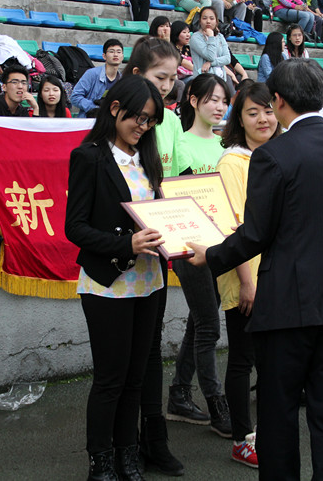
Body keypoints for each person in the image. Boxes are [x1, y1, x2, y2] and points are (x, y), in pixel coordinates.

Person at [187, 58, 323, 480]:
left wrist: (211, 255)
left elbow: (255, 234)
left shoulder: (273, 155)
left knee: (279, 412)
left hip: (289, 305)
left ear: (278, 100)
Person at [64, 75, 166, 481]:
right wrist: (127, 245)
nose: (143, 126)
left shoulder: (148, 159)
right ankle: (100, 460)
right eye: (138, 117)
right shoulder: (88, 156)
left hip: (150, 280)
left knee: (136, 378)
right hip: (107, 283)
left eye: (150, 120)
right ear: (114, 109)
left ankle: (128, 455)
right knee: (110, 378)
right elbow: (75, 228)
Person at [121, 36, 187, 476]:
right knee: (124, 358)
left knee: (151, 349)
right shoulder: (119, 119)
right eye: (159, 77)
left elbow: (175, 183)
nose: (166, 86)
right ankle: (122, 443)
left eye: (172, 78)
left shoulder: (173, 122)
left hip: (159, 252)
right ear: (136, 75)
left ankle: (154, 439)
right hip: (121, 254)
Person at [215, 82, 280, 468]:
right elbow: (234, 226)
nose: (263, 119)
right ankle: (242, 437)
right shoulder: (233, 162)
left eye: (268, 110)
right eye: (252, 112)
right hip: (246, 275)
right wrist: (247, 282)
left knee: (271, 358)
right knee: (242, 357)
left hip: (276, 273)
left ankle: (265, 430)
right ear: (239, 119)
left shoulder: (277, 154)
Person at [167, 73, 232, 438]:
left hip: (221, 246)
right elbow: (180, 197)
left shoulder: (225, 145)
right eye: (212, 99)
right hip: (189, 245)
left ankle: (179, 392)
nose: (220, 107)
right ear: (193, 100)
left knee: (199, 320)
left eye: (224, 101)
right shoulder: (181, 143)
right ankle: (216, 402)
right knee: (209, 324)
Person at [71, 39, 123, 117]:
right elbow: (75, 97)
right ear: (104, 56)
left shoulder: (122, 79)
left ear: (122, 56)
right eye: (111, 51)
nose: (115, 55)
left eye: (119, 52)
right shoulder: (92, 74)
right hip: (90, 119)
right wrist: (95, 108)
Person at [189, 7, 231, 81]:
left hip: (220, 78)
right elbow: (210, 56)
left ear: (216, 21)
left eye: (212, 18)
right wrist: (211, 37)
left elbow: (227, 58)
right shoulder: (195, 38)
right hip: (203, 79)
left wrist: (211, 63)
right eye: (204, 18)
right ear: (200, 21)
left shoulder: (220, 37)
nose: (208, 21)